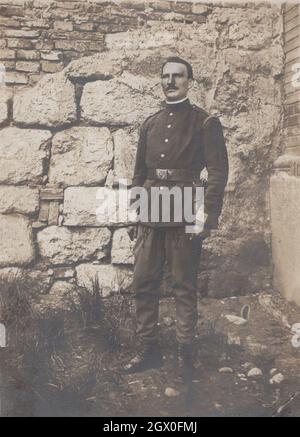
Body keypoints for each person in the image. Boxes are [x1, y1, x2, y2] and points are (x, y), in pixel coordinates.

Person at [122, 57, 229, 381]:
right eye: (165, 76)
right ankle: (148, 349)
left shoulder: (205, 122)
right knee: (143, 282)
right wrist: (134, 213)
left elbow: (218, 173)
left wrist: (204, 218)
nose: (170, 81)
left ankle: (185, 355)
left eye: (177, 76)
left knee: (184, 286)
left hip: (185, 209)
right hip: (151, 209)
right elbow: (140, 173)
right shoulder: (150, 123)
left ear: (189, 81)